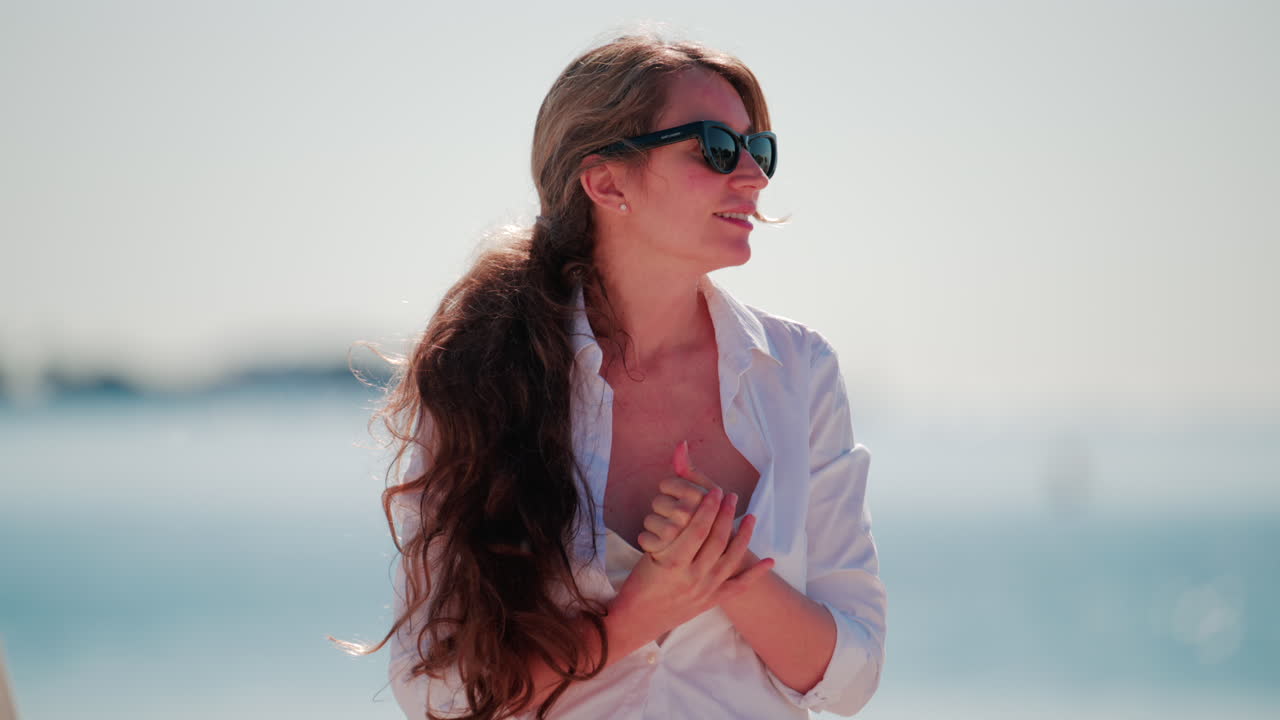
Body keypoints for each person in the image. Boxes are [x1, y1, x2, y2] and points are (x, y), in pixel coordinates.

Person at [354, 33, 887, 720]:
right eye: (716, 149)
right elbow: (441, 693)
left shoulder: (798, 372)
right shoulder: (480, 374)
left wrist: (725, 573)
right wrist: (637, 615)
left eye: (761, 151)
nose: (752, 176)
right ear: (606, 182)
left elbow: (853, 676)